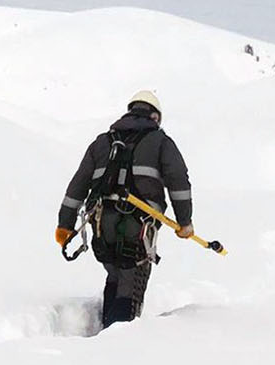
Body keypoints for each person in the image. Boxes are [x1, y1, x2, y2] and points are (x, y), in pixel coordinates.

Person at [56, 91, 193, 328]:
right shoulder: (161, 142)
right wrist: (185, 221)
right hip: (137, 227)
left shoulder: (102, 143)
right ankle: (116, 345)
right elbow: (179, 181)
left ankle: (104, 329)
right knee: (131, 280)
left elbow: (77, 186)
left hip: (100, 226)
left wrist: (65, 224)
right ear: (155, 116)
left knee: (115, 274)